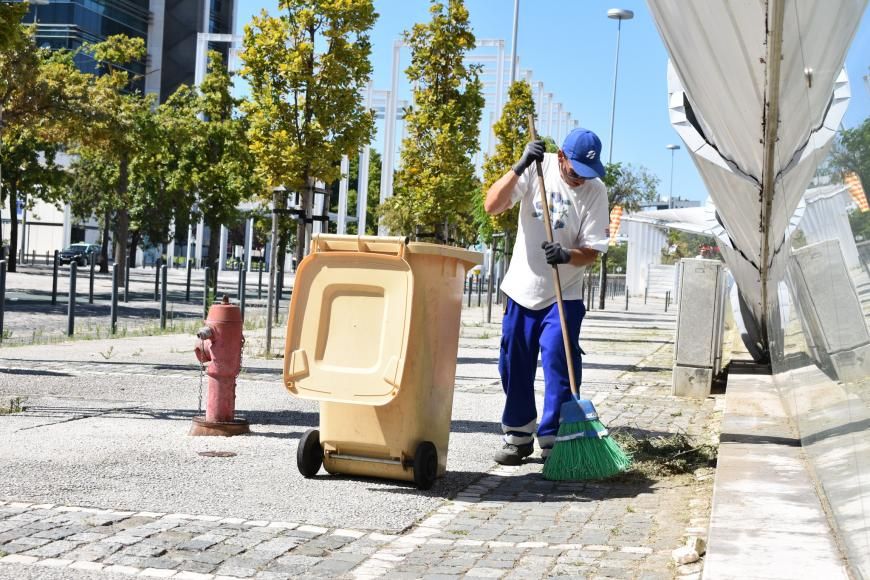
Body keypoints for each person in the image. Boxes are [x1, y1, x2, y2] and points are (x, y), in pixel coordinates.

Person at [483, 128, 610, 465]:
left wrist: (569, 255)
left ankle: (555, 437)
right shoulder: (539, 170)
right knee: (514, 362)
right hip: (522, 288)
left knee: (559, 359)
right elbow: (492, 205)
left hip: (563, 292)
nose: (581, 179)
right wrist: (519, 166)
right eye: (575, 170)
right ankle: (518, 434)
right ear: (562, 157)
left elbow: (593, 250)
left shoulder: (597, 192)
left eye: (588, 173)